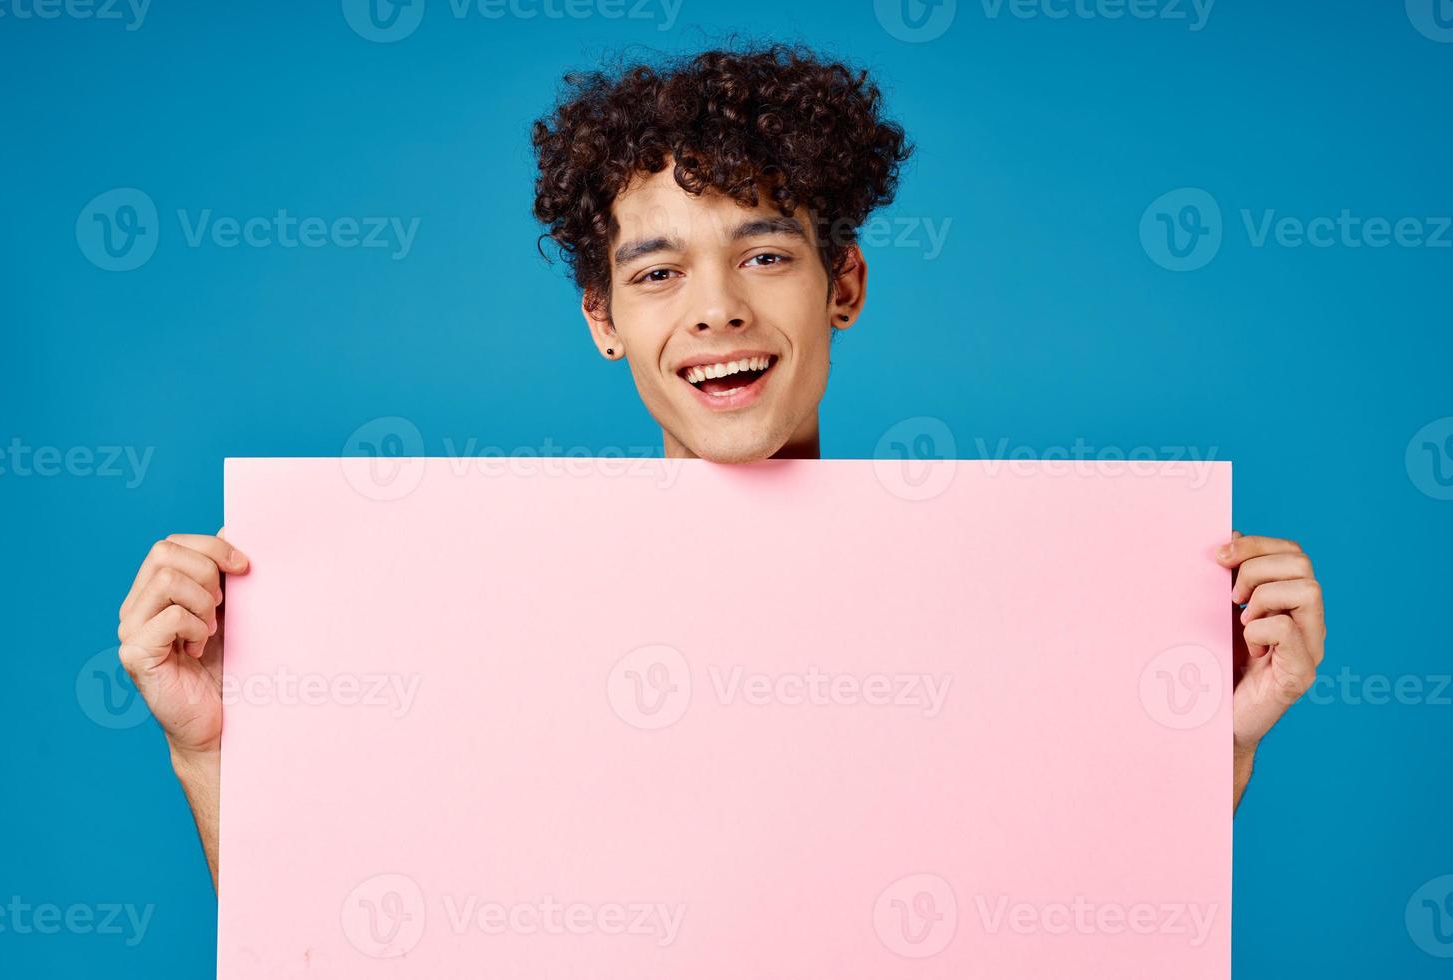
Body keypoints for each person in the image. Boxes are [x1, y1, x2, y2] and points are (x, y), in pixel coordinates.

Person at [115, 45, 1326, 889]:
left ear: (843, 282)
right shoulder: (493, 620)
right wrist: (211, 752)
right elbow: (346, 939)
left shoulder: (1003, 609)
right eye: (655, 273)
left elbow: (1077, 923)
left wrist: (1208, 742)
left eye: (763, 255)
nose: (714, 311)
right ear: (601, 317)